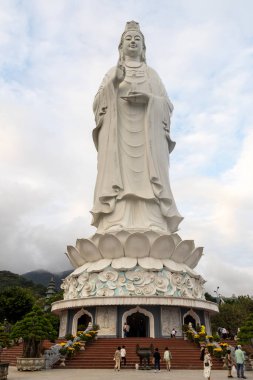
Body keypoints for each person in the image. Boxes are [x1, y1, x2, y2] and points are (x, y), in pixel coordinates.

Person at [91, 20, 183, 234]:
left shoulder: (152, 75)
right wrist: (112, 83)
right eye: (128, 39)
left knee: (148, 178)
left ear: (143, 47)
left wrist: (150, 100)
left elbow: (167, 105)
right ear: (121, 47)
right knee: (118, 176)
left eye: (137, 39)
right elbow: (97, 105)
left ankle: (154, 222)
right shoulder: (111, 73)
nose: (132, 42)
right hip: (118, 135)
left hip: (147, 138)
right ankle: (114, 220)